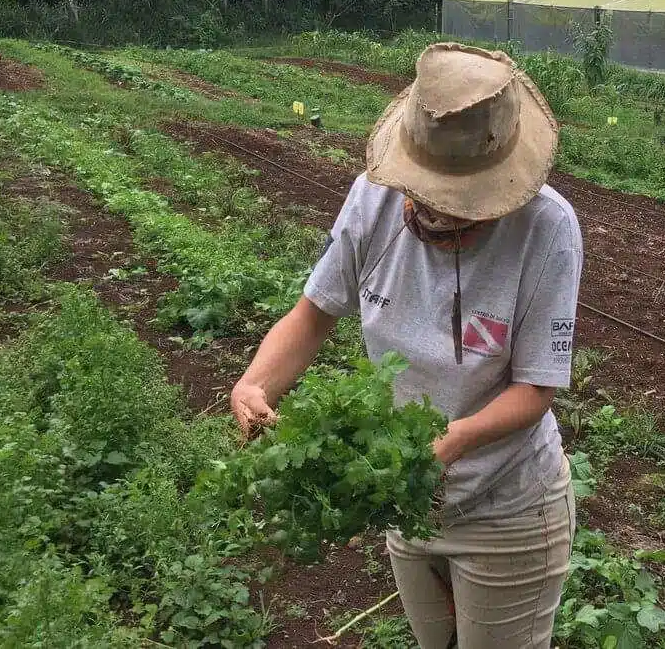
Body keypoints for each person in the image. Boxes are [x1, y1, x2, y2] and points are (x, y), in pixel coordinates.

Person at [230, 42, 583, 649]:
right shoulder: (374, 197)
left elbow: (536, 388)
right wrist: (255, 382)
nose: (436, 218)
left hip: (506, 508)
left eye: (460, 209)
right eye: (427, 200)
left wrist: (446, 446)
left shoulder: (547, 230)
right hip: (409, 500)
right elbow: (314, 314)